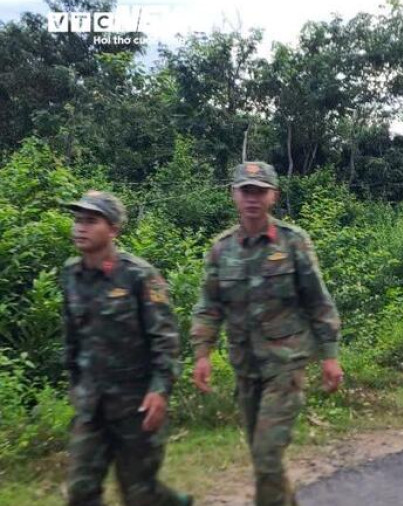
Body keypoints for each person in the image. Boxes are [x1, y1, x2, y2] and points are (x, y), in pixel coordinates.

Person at [191, 161, 344, 505]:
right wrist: (202, 354)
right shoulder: (221, 249)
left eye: (259, 191)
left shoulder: (293, 243)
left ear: (272, 196)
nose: (252, 198)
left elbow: (318, 301)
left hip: (285, 366)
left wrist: (330, 356)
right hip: (245, 368)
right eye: (245, 190)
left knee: (267, 454)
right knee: (265, 462)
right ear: (234, 195)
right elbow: (208, 306)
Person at [61, 190, 191, 506]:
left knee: (139, 493)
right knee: (81, 490)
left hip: (137, 405)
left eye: (91, 221)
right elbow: (72, 337)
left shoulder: (139, 276)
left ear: (114, 229)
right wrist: (75, 385)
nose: (81, 227)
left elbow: (166, 339)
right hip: (92, 404)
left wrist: (160, 390)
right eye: (78, 220)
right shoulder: (71, 274)